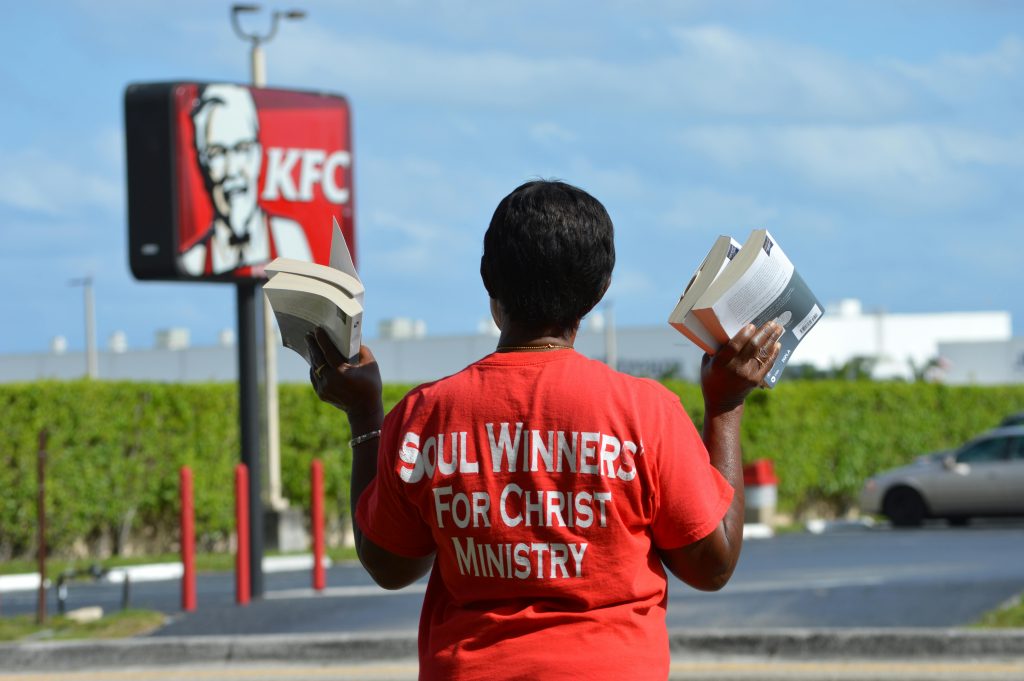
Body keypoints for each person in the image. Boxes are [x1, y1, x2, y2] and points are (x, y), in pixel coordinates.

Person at [306, 180, 782, 680]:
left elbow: (389, 565)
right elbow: (713, 565)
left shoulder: (424, 415)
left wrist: (364, 414)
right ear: (599, 290)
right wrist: (725, 407)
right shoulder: (647, 412)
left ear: (490, 283)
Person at [181, 83, 311, 276]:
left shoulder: (290, 241)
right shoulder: (192, 262)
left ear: (258, 154)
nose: (232, 170)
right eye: (217, 153)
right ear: (202, 162)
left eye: (242, 149)